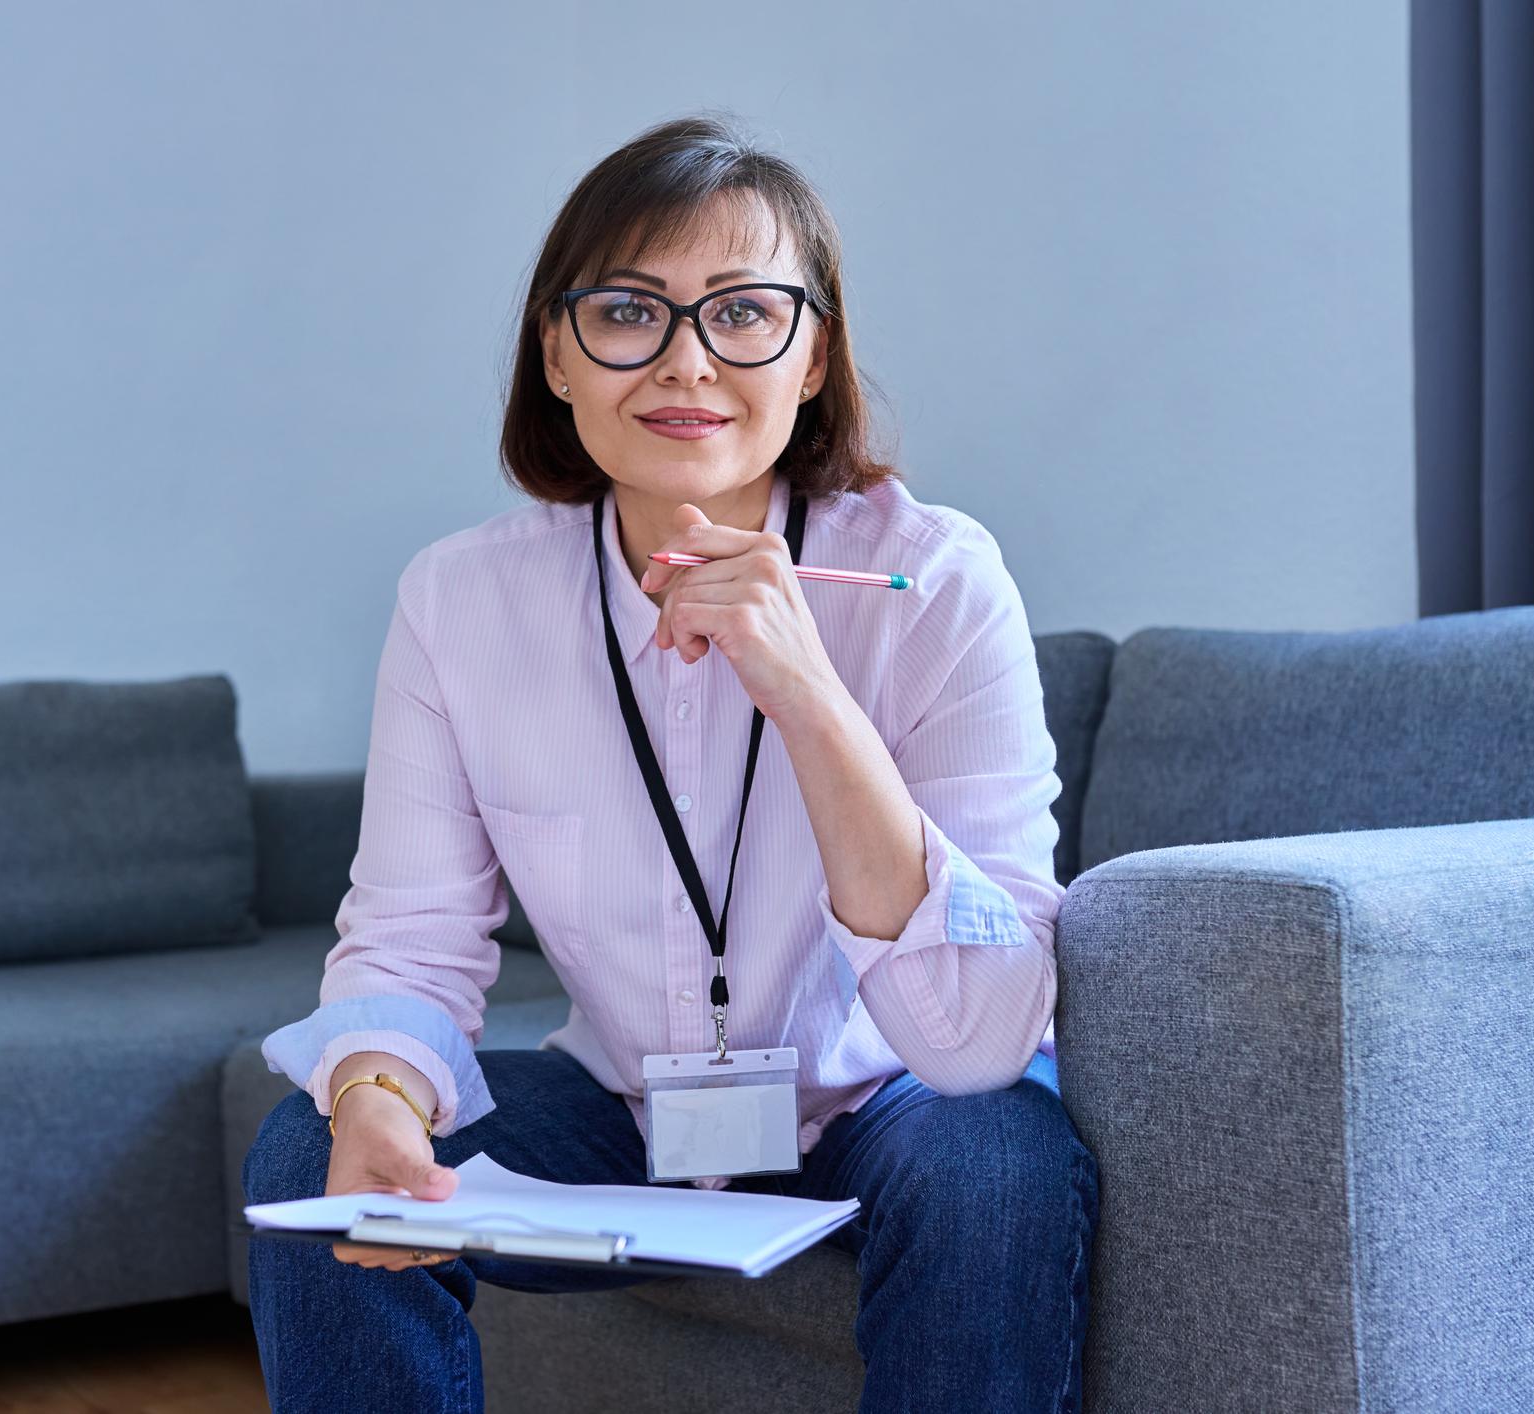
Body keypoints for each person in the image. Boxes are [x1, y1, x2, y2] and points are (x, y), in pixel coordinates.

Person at [243, 111, 1101, 1414]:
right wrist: (375, 1088)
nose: (686, 361)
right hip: (624, 1102)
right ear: (558, 353)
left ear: (811, 353)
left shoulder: (931, 579)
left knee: (995, 1158)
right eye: (629, 312)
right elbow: (411, 937)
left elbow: (979, 1038)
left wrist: (807, 689)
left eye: (744, 312)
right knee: (310, 1142)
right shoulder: (461, 602)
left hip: (891, 1096)